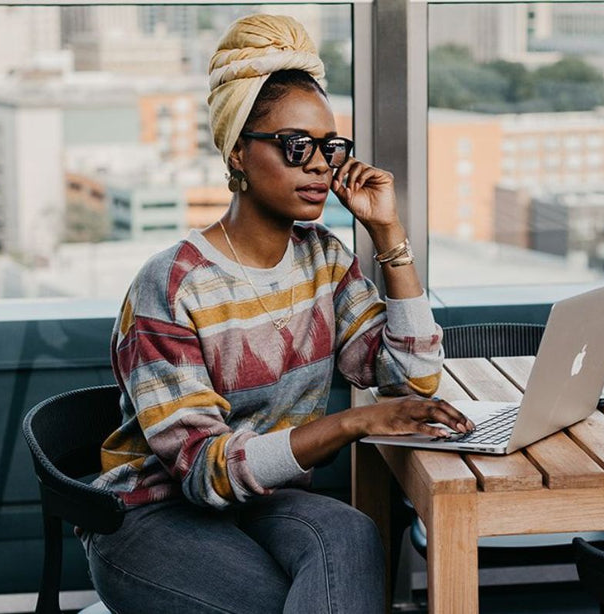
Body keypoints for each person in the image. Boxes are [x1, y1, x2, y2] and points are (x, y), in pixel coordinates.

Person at [84, 13, 473, 613]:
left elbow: (410, 379)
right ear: (238, 153)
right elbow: (204, 473)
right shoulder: (172, 284)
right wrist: (351, 423)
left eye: (330, 147)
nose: (319, 164)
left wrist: (389, 235)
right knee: (294, 600)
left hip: (263, 502)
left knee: (353, 533)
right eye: (297, 147)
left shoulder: (323, 260)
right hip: (151, 519)